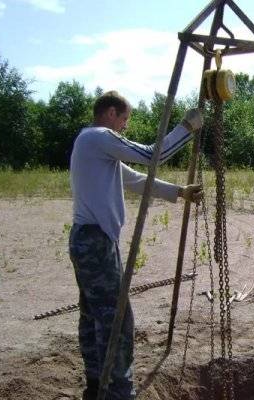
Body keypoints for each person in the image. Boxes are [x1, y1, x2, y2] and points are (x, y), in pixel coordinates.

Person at [68, 90, 204, 400]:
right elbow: (152, 156)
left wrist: (178, 192)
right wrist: (186, 127)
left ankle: (96, 385)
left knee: (93, 316)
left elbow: (137, 180)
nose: (125, 126)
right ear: (111, 113)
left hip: (89, 240)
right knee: (117, 319)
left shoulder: (91, 145)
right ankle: (118, 391)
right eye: (125, 119)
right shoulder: (100, 137)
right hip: (95, 242)